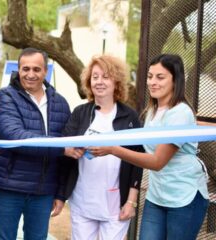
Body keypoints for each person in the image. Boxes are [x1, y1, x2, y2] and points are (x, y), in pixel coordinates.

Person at [89, 54, 209, 240]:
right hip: (157, 196)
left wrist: (113, 149)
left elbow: (157, 162)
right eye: (150, 76)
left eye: (160, 77)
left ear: (175, 80)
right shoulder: (152, 111)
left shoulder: (180, 113)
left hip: (184, 198)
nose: (153, 82)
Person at [0, 47, 71, 240]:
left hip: (43, 191)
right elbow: (14, 135)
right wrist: (61, 148)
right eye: (25, 69)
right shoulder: (5, 97)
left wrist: (60, 194)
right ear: (18, 70)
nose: (30, 74)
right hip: (9, 187)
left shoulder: (61, 103)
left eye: (36, 69)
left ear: (45, 71)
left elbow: (67, 155)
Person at [60, 55, 143, 240]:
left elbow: (137, 162)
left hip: (116, 203)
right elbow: (63, 147)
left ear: (116, 81)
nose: (99, 82)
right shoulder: (80, 113)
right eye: (95, 77)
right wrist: (71, 150)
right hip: (83, 201)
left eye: (105, 76)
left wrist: (131, 201)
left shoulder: (130, 117)